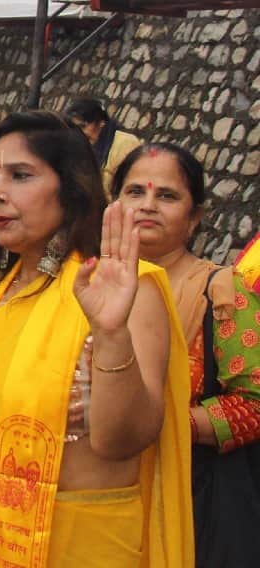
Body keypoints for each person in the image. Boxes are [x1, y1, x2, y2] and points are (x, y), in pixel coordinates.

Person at [0, 112, 193, 567]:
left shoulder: (126, 291)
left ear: (70, 189)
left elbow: (123, 439)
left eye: (20, 175)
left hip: (70, 545)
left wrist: (110, 335)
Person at [111, 143, 260, 567]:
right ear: (113, 203)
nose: (148, 205)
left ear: (194, 217)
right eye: (134, 192)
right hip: (99, 491)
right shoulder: (84, 284)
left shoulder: (222, 295)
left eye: (168, 196)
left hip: (193, 499)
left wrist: (157, 422)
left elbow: (255, 401)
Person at [64, 97, 140, 194]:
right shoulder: (76, 149)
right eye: (73, 128)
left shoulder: (125, 143)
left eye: (83, 126)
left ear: (101, 123)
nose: (78, 133)